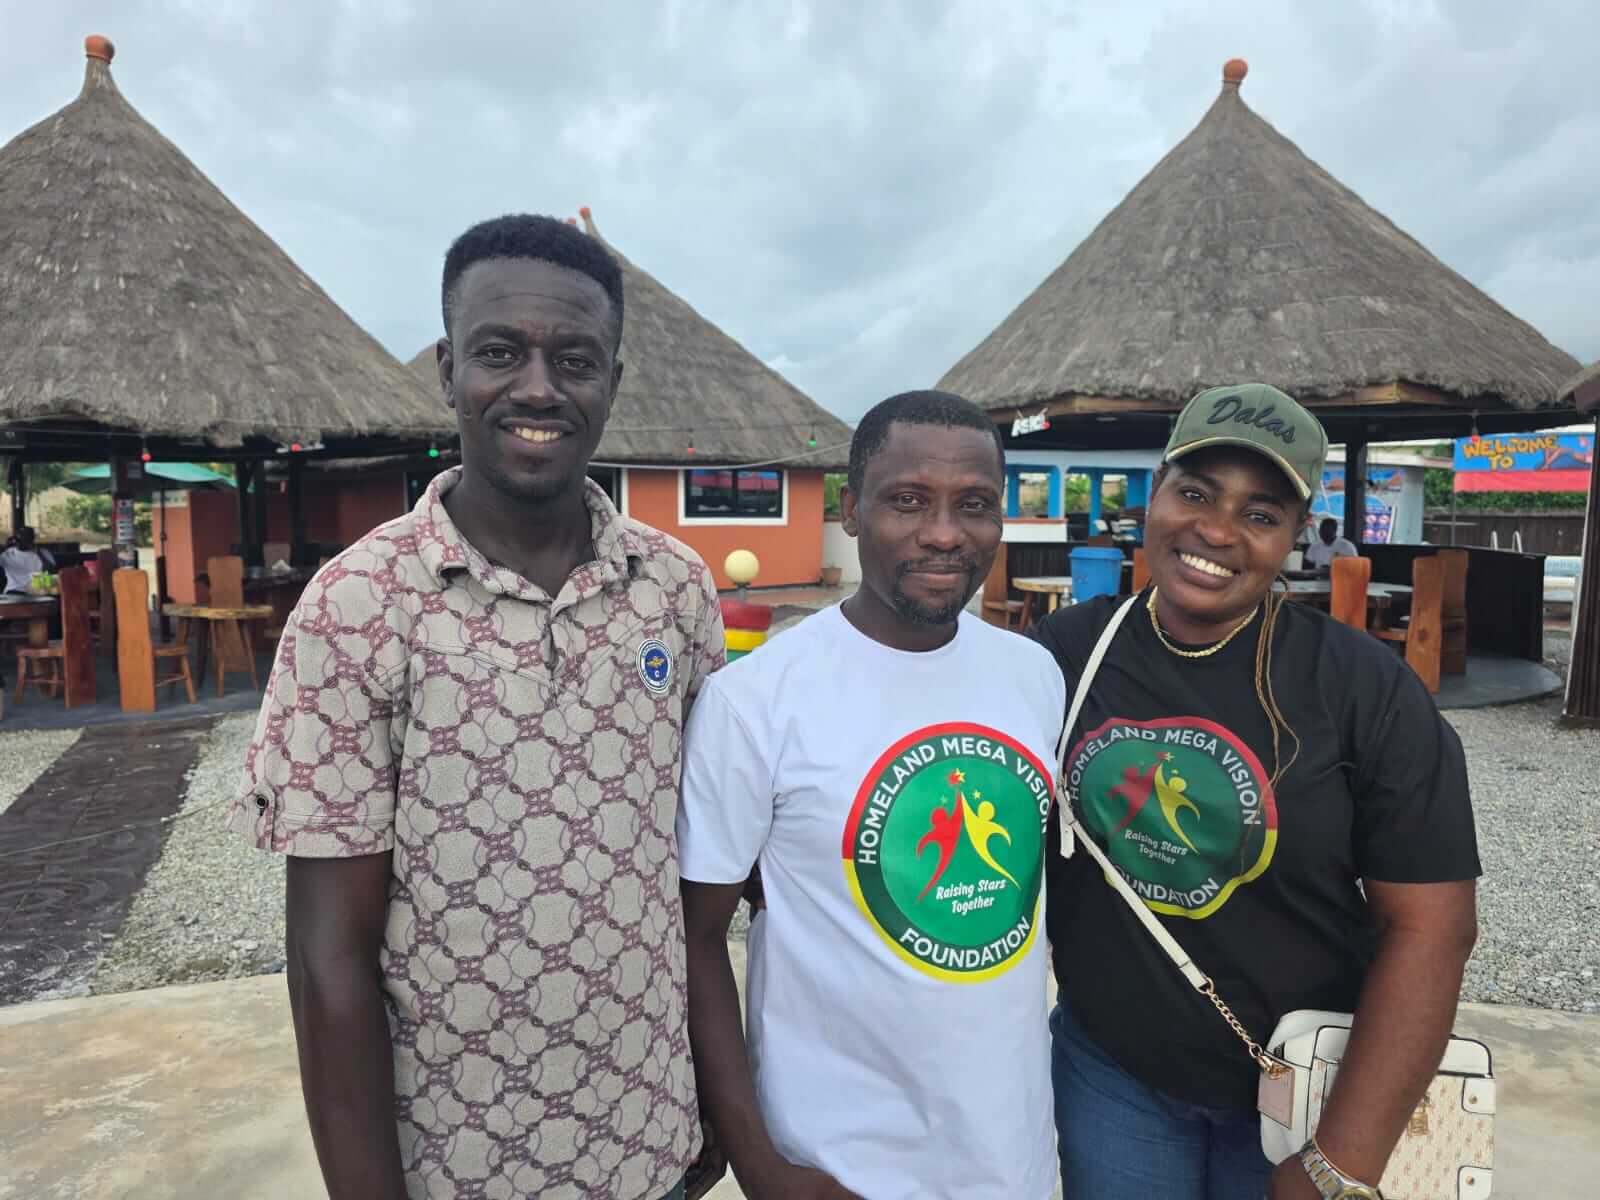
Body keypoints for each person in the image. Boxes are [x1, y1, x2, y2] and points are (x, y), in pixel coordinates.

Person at [229, 214, 725, 1200]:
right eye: (501, 354)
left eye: (574, 360)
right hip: (455, 1170)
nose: (538, 388)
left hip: (650, 1141)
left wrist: (715, 1094)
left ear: (613, 382)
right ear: (449, 369)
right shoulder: (357, 605)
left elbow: (698, 877)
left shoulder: (675, 588)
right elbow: (327, 958)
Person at [1031, 383, 1479, 1200]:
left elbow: (1431, 927)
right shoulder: (1064, 655)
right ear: (1156, 493)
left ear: (1296, 536)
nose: (1216, 531)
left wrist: (1339, 1163)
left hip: (1303, 1090)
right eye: (1196, 493)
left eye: (1260, 513)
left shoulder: (1362, 688)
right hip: (1113, 1076)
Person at [677, 391, 1066, 1200]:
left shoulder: (1033, 675)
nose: (944, 533)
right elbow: (697, 937)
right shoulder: (756, 701)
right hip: (832, 1161)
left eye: (974, 505)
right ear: (851, 511)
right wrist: (758, 1162)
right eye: (909, 501)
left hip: (1012, 1153)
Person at [1, 526, 54, 593]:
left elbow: (50, 571)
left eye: (27, 538)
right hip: (14, 590)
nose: (23, 541)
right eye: (20, 538)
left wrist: (38, 552)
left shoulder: (44, 552)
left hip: (37, 591)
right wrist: (5, 547)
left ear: (32, 538)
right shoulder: (7, 554)